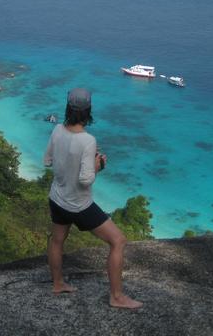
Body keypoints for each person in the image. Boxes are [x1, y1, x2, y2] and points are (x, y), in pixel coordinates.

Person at [43, 88, 143, 309]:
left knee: (57, 240)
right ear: (88, 111)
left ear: (68, 108)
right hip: (79, 205)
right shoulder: (88, 141)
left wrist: (75, 159)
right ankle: (116, 297)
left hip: (57, 198)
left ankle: (58, 284)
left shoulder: (57, 129)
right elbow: (86, 180)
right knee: (118, 241)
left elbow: (47, 160)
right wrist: (97, 165)